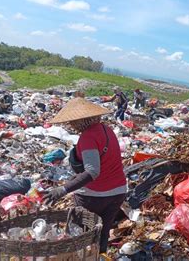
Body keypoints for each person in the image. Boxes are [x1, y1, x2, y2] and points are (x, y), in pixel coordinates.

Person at [43, 97, 127, 254]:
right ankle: (99, 255)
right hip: (118, 192)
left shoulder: (88, 137)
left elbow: (92, 172)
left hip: (95, 196)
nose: (72, 125)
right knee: (103, 232)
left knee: (79, 233)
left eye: (73, 122)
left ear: (81, 121)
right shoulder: (107, 130)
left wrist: (62, 190)